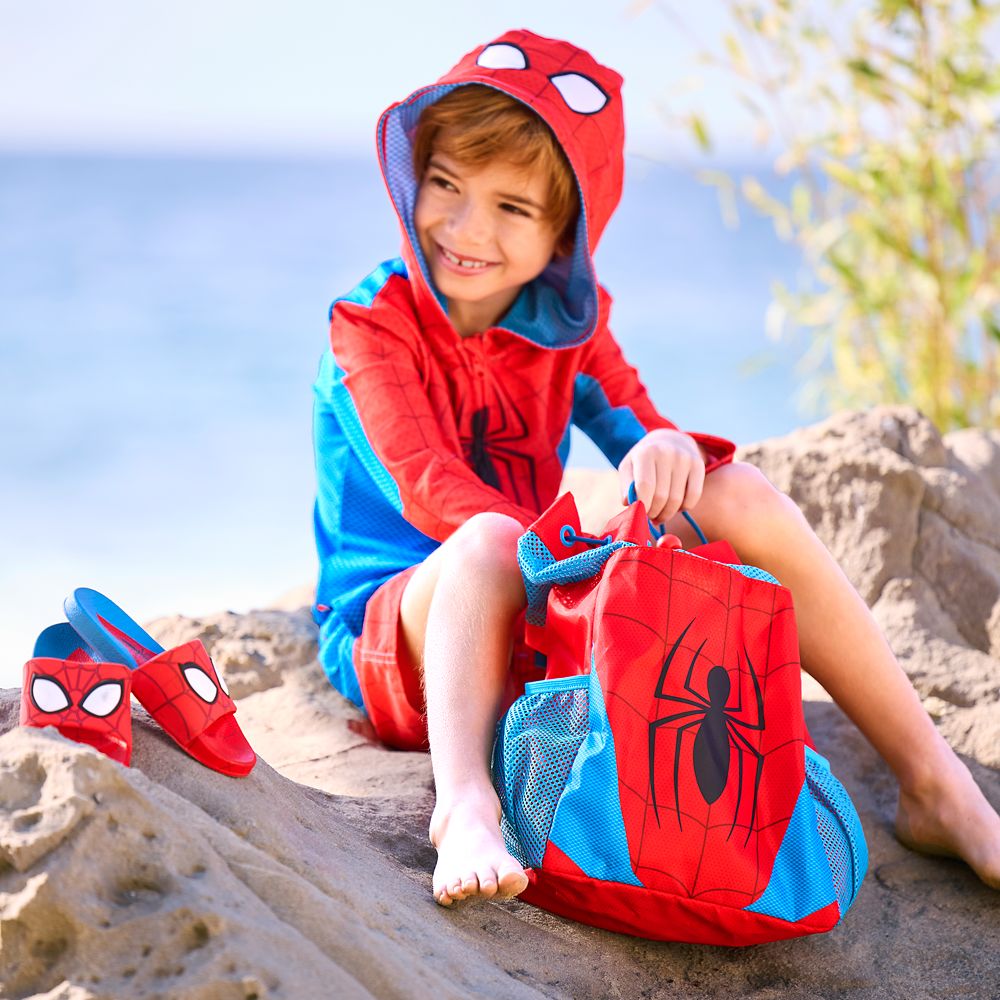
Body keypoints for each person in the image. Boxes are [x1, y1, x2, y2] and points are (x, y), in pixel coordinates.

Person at [312, 29, 1000, 907]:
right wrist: (577, 551)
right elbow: (428, 488)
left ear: (565, 234)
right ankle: (465, 808)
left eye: (511, 209)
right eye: (445, 183)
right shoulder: (369, 323)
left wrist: (663, 448)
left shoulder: (568, 318)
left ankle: (936, 785)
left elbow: (644, 428)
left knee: (733, 491)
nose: (463, 226)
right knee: (485, 535)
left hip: (533, 599)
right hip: (405, 634)